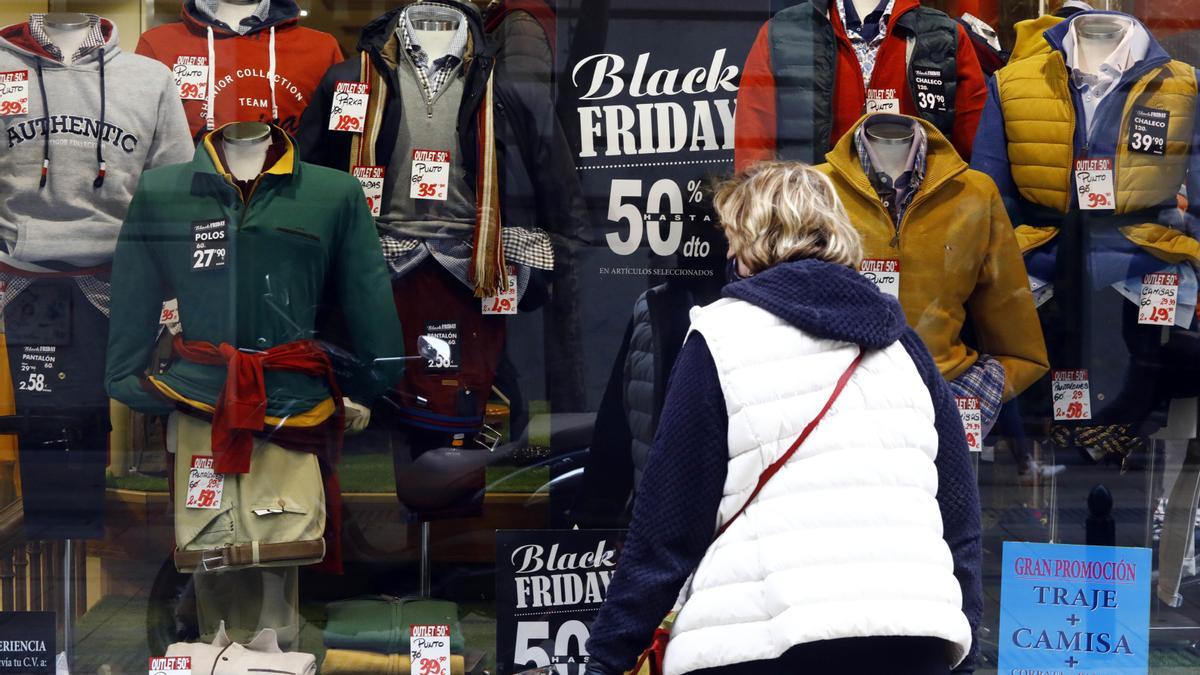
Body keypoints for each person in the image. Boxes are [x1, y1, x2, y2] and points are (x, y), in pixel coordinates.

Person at [583, 162, 982, 675]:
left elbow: (668, 529)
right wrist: (965, 654)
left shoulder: (721, 335)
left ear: (749, 244)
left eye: (732, 239)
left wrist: (606, 659)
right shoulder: (905, 346)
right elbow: (959, 523)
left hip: (768, 640)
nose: (727, 253)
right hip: (916, 637)